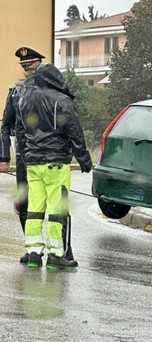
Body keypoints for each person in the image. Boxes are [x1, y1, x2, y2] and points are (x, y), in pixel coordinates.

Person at [16, 60, 92, 270]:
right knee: (57, 209)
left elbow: (21, 132)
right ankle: (57, 254)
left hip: (33, 162)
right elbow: (74, 131)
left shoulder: (24, 99)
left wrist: (25, 156)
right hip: (56, 162)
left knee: (35, 208)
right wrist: (84, 159)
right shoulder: (62, 100)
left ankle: (33, 252)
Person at [1, 47, 45, 264]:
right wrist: (3, 157)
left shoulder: (50, 89)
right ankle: (32, 248)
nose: (28, 70)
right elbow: (5, 126)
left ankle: (61, 251)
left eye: (31, 66)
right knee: (24, 203)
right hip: (24, 157)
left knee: (54, 205)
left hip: (47, 155)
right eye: (25, 67)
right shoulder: (15, 92)